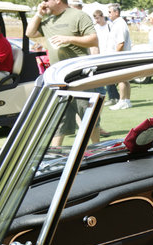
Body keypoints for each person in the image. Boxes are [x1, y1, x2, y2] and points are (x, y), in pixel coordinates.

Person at [27, 0, 101, 144]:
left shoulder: (78, 15)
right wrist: (38, 14)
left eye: (46, 0)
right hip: (58, 78)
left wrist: (68, 39)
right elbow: (29, 33)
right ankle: (54, 157)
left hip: (80, 76)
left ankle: (97, 150)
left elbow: (93, 40)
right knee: (59, 119)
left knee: (88, 115)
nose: (43, 2)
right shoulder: (48, 20)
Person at [91, 9, 120, 106]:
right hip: (100, 55)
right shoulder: (95, 28)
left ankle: (114, 97)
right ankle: (114, 97)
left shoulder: (110, 25)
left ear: (102, 16)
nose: (97, 21)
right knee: (106, 78)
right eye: (95, 19)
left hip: (110, 54)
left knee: (110, 78)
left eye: (98, 18)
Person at [107, 3, 132, 110]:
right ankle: (126, 101)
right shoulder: (118, 23)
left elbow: (120, 42)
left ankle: (122, 100)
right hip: (122, 56)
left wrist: (115, 57)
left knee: (121, 79)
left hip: (120, 56)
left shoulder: (120, 24)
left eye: (110, 12)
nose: (108, 14)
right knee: (125, 79)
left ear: (116, 12)